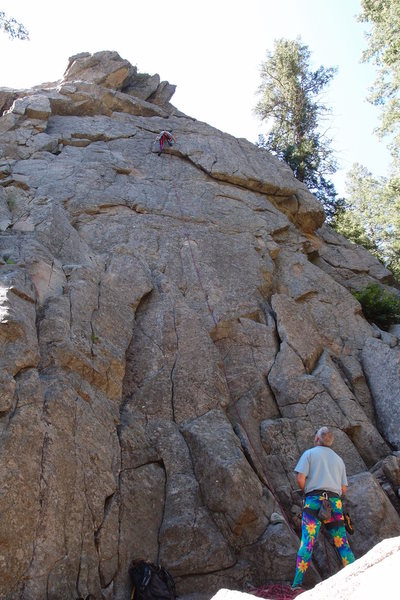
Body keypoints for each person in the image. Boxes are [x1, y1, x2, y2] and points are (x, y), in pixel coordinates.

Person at [291, 426, 355, 591]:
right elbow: (344, 489)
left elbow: (300, 478)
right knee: (342, 544)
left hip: (313, 502)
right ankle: (357, 576)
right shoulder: (339, 460)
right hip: (334, 503)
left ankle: (297, 584)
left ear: (317, 439)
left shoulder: (309, 454)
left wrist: (308, 491)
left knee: (307, 544)